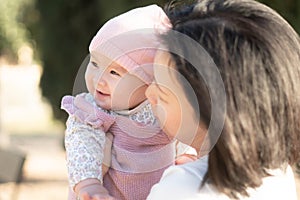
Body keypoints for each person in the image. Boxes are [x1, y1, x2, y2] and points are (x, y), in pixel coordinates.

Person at [145, 0, 300, 199]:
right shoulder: (278, 172)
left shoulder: (183, 187)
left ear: (210, 109)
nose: (149, 93)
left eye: (162, 93)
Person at [61, 4, 196, 200]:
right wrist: (89, 184)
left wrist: (186, 157)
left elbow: (181, 131)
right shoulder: (92, 111)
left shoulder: (162, 107)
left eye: (115, 72)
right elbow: (82, 145)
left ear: (148, 81)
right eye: (95, 63)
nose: (99, 79)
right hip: (109, 194)